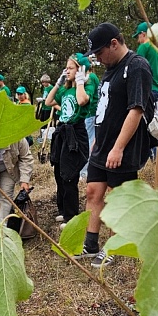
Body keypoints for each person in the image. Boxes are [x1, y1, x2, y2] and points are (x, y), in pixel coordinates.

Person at [80, 22, 153, 268]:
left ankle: (113, 246)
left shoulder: (136, 66)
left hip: (123, 147)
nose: (98, 59)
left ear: (114, 43)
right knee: (93, 192)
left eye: (100, 53)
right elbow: (105, 109)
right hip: (102, 145)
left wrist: (118, 147)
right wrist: (98, 142)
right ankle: (90, 244)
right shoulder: (110, 68)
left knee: (117, 199)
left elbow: (136, 109)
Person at [45, 53, 96, 228]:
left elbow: (82, 101)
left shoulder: (86, 88)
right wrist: (59, 83)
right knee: (59, 174)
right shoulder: (66, 89)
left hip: (76, 132)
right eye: (66, 68)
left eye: (71, 68)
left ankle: (72, 216)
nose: (67, 71)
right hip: (63, 132)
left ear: (80, 70)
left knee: (69, 176)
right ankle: (64, 211)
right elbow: (48, 101)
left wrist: (80, 80)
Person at [133, 21, 158, 160]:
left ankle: (145, 155)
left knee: (143, 124)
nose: (137, 40)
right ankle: (155, 156)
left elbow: (136, 70)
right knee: (155, 125)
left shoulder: (144, 47)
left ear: (143, 34)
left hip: (146, 92)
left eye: (138, 36)